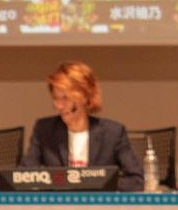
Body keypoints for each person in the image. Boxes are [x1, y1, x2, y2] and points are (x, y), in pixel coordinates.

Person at [23, 61, 144, 190]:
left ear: (85, 97)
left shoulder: (113, 133)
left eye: (65, 98)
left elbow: (136, 179)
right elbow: (23, 176)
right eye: (55, 98)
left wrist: (96, 183)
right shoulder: (44, 130)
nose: (59, 105)